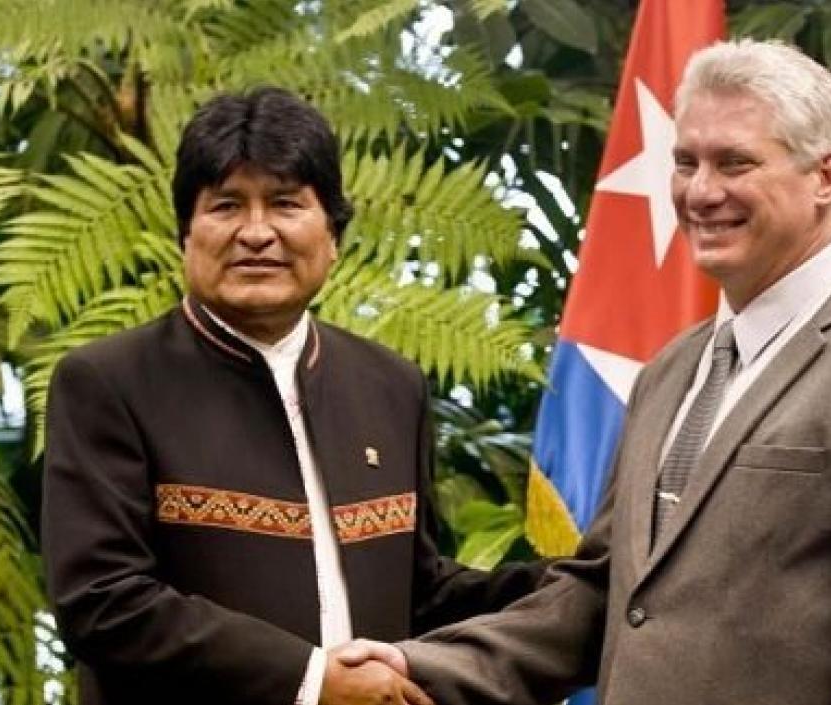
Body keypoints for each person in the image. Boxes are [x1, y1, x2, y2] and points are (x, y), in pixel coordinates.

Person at [336, 38, 831, 705]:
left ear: (827, 177)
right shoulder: (671, 370)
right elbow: (603, 596)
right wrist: (417, 664)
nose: (701, 190)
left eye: (735, 162)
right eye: (686, 161)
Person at [41, 87, 542, 705]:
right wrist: (311, 681)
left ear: (332, 236)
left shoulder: (392, 385)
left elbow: (420, 592)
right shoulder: (109, 382)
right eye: (226, 206)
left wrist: (584, 586)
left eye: (285, 204)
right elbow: (102, 602)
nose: (257, 233)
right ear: (184, 236)